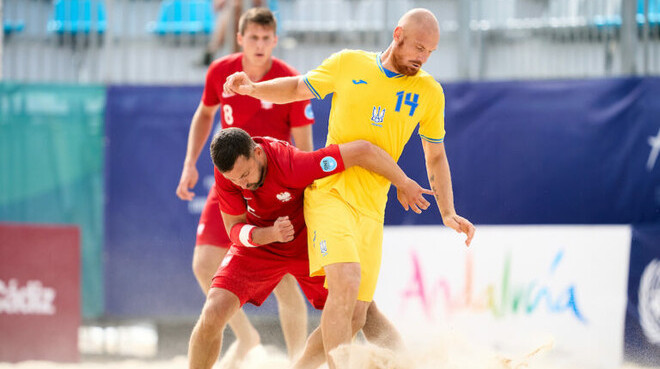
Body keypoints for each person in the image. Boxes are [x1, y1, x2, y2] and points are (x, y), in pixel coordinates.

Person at [222, 8, 476, 369]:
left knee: (355, 315)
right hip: (330, 195)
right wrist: (252, 88)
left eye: (430, 52)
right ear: (398, 33)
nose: (422, 57)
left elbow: (435, 156)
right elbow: (297, 88)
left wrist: (447, 211)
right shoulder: (349, 64)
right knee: (345, 281)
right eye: (418, 46)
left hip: (372, 210)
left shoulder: (428, 92)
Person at [188, 127, 432, 369]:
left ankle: (406, 364)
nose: (242, 184)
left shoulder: (293, 164)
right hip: (261, 244)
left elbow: (362, 150)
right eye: (235, 180)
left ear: (258, 153)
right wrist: (269, 234)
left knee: (361, 311)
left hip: (306, 241)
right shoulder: (229, 172)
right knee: (213, 311)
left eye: (245, 175)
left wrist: (403, 182)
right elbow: (233, 229)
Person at [177, 7, 312, 366]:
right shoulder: (221, 70)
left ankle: (298, 358)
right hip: (233, 183)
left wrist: (301, 197)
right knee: (204, 263)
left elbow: (305, 148)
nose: (260, 44)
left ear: (276, 40)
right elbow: (205, 113)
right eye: (253, 37)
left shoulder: (289, 80)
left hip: (273, 187)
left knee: (283, 279)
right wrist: (190, 162)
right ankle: (247, 337)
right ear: (240, 38)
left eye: (267, 38)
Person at [200, 0, 265, 66]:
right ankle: (216, 49)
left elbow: (259, 3)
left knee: (236, 11)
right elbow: (216, 6)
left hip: (248, 13)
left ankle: (213, 49)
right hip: (229, 16)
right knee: (232, 10)